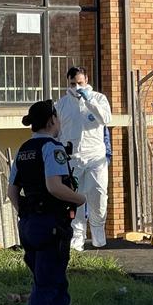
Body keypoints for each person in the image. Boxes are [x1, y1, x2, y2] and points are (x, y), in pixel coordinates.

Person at [7, 100, 86, 305]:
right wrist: (80, 199)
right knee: (46, 286)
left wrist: (24, 214)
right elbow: (54, 187)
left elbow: (11, 190)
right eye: (58, 117)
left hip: (28, 226)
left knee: (57, 282)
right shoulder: (52, 148)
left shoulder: (23, 150)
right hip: (51, 225)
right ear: (52, 120)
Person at [56, 67, 112, 251]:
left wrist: (89, 101)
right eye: (73, 84)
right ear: (68, 83)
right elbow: (56, 132)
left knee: (98, 195)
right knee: (75, 199)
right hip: (72, 159)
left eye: (80, 83)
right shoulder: (61, 105)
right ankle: (77, 238)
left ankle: (98, 234)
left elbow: (106, 118)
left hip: (96, 157)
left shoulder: (99, 99)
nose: (77, 87)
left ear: (86, 80)